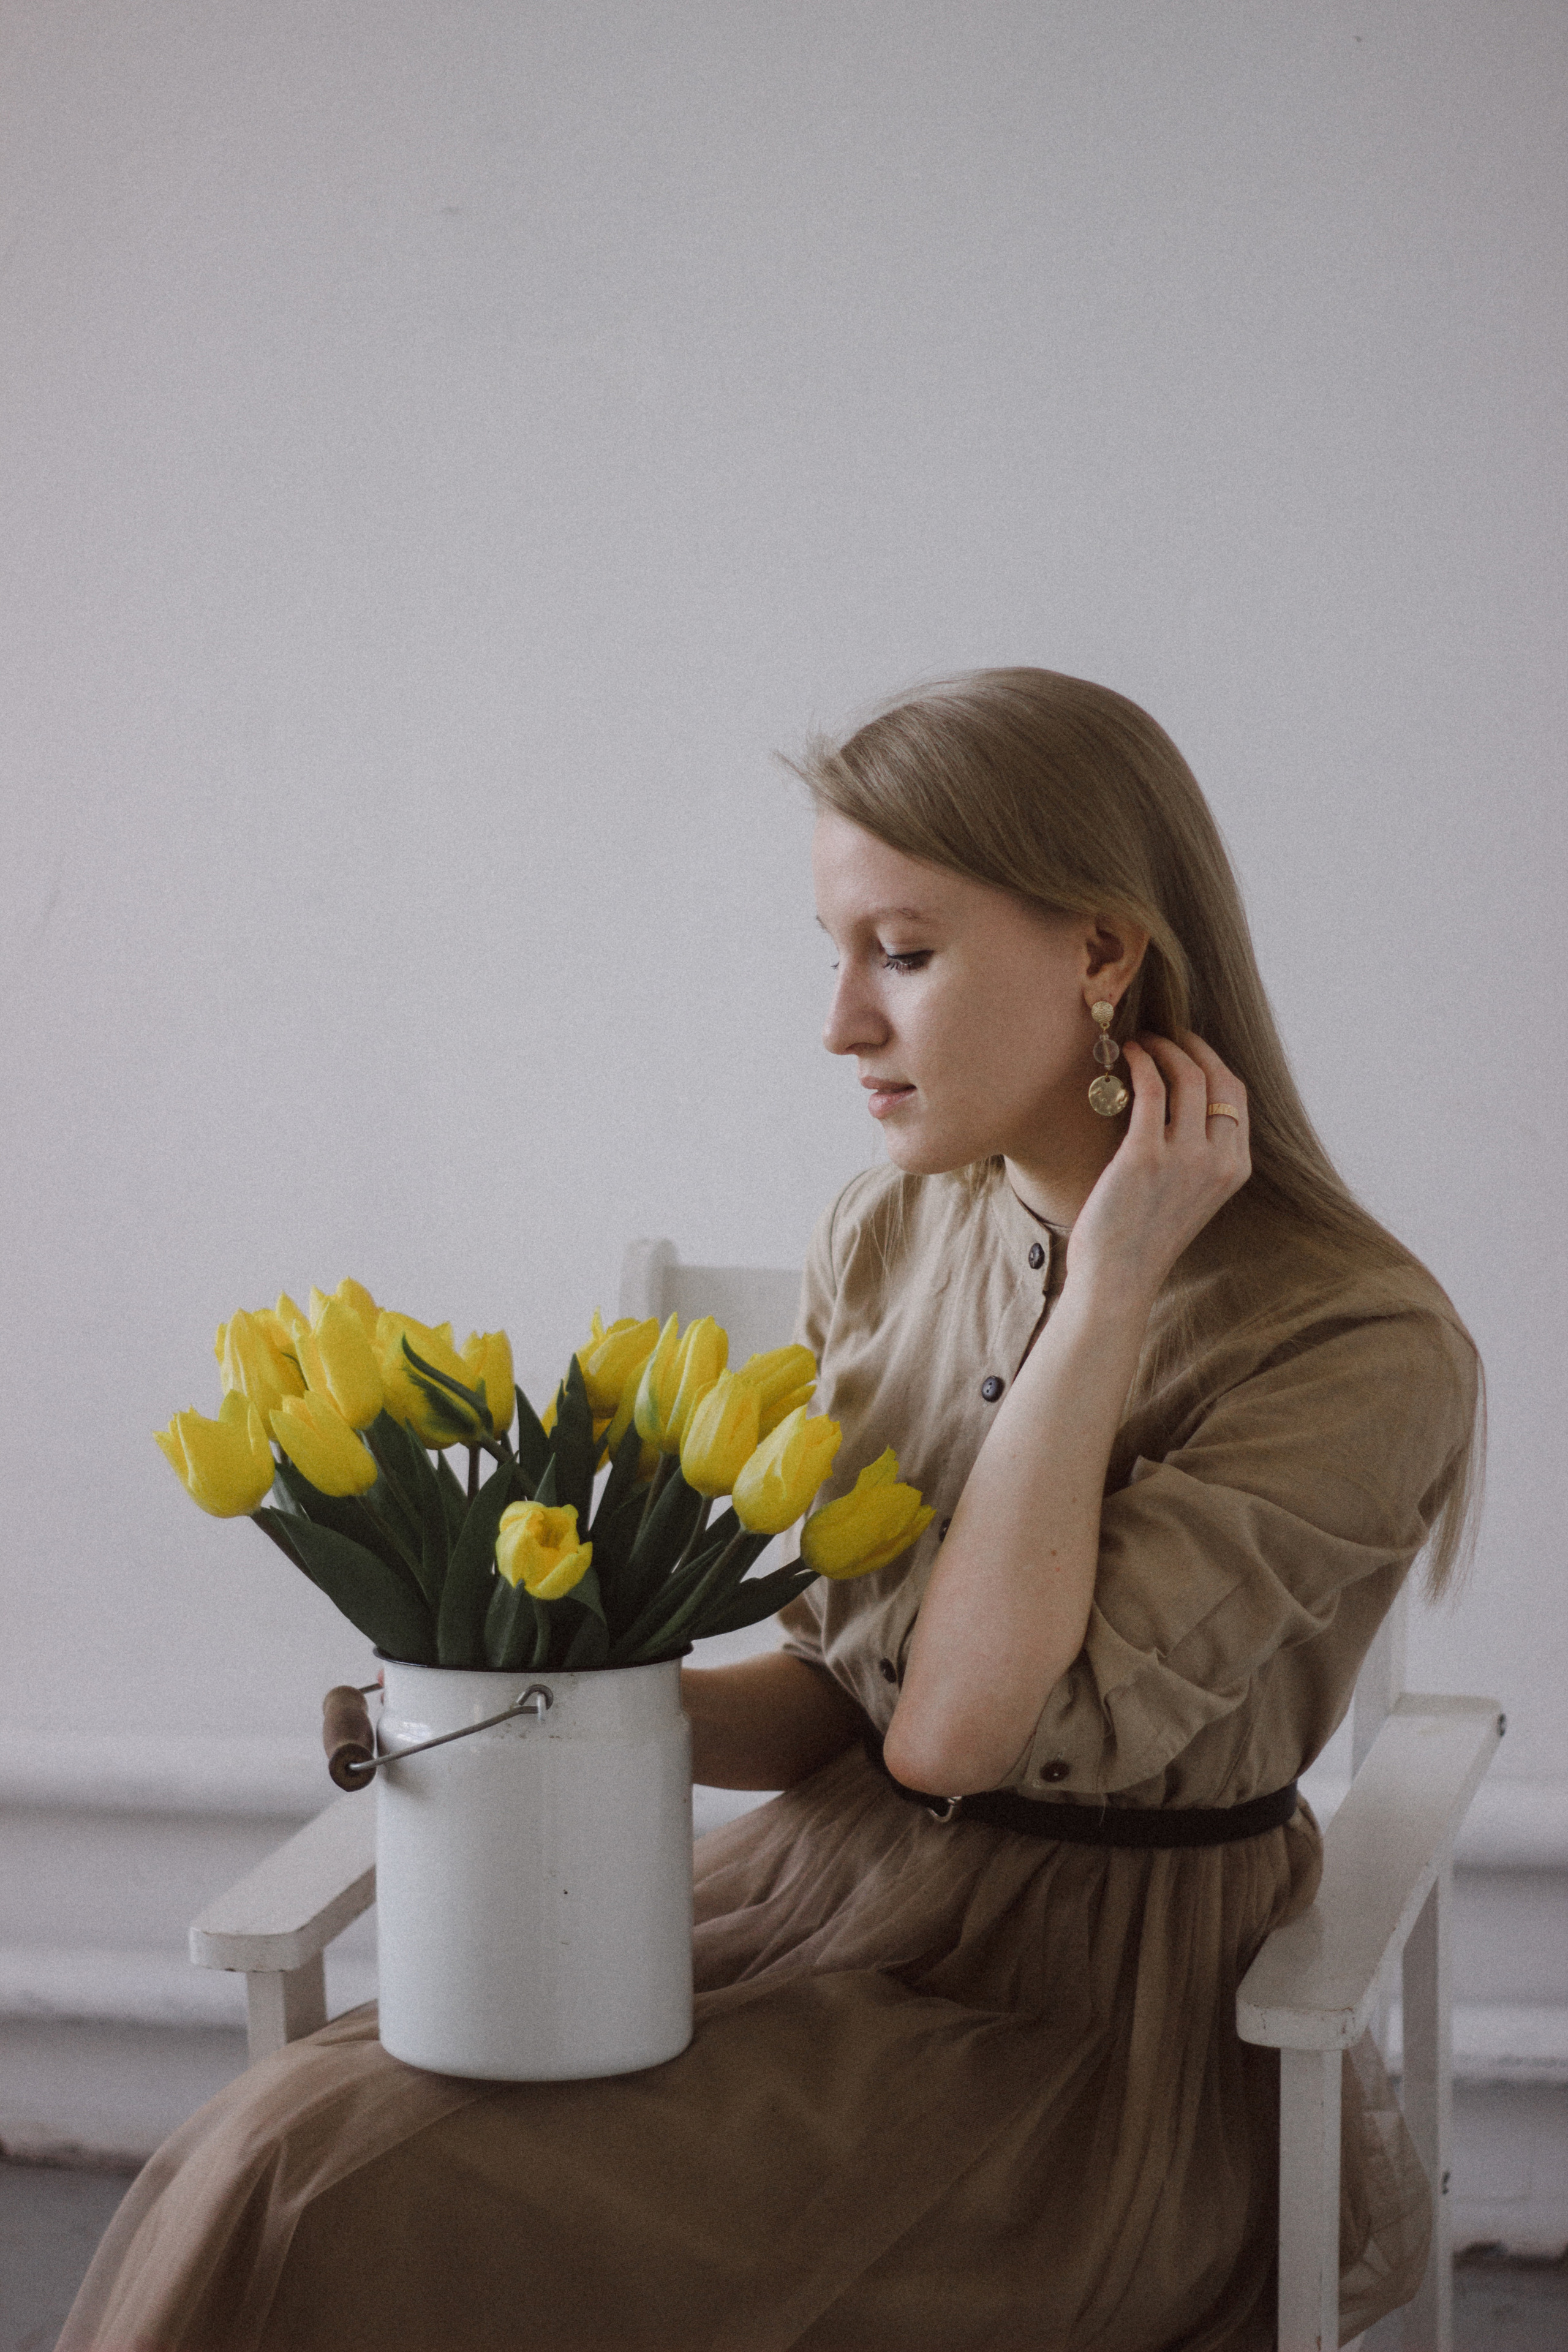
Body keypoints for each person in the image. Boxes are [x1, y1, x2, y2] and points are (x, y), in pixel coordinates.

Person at [62, 669, 1480, 2352]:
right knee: (277, 2151)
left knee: (368, 2195)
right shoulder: (886, 1238)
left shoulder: (1360, 1345)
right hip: (815, 1908)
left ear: (1104, 955)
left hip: (1085, 2045)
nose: (840, 1025)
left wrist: (1102, 1303)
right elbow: (840, 1699)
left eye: (905, 951)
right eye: (835, 948)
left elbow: (952, 1736)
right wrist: (511, 1693)